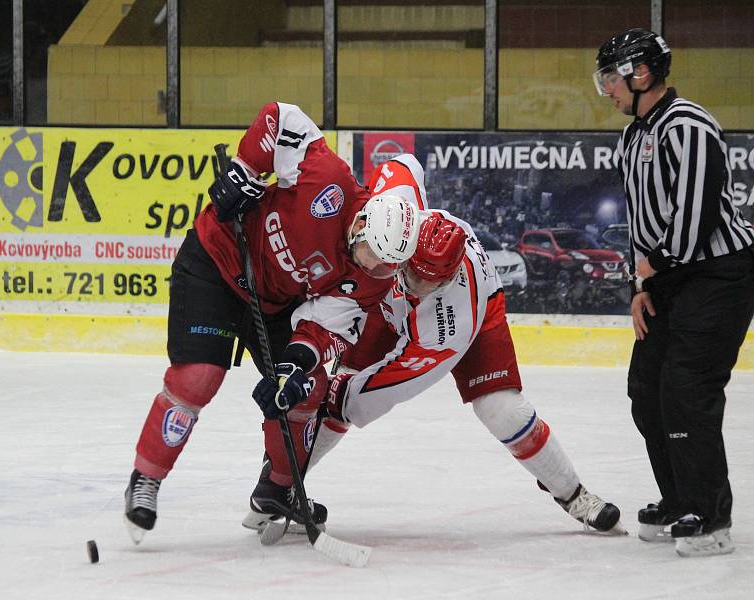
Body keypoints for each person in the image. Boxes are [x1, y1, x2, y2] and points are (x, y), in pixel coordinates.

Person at [123, 101, 421, 543]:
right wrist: (245, 169)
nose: (377, 270)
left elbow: (325, 325)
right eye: (374, 256)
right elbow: (282, 117)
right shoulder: (328, 179)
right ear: (360, 224)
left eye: (387, 265)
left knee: (309, 387)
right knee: (199, 378)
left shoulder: (373, 278)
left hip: (273, 303)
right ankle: (146, 478)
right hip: (217, 262)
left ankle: (278, 489)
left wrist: (295, 366)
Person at [256, 206, 626, 535]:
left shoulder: (450, 325)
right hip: (388, 307)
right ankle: (282, 484)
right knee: (338, 385)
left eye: (431, 283)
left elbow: (393, 385)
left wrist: (343, 395)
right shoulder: (403, 230)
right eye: (415, 276)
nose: (420, 287)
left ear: (449, 278)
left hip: (473, 321)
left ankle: (574, 495)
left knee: (502, 410)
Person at [594, 28, 754, 556]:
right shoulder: (634, 135)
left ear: (641, 74)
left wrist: (652, 271)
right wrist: (641, 286)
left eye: (610, 79)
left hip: (718, 276)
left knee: (687, 391)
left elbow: (696, 216)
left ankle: (711, 517)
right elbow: (642, 220)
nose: (607, 90)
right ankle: (679, 498)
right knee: (647, 391)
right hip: (669, 279)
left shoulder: (688, 126)